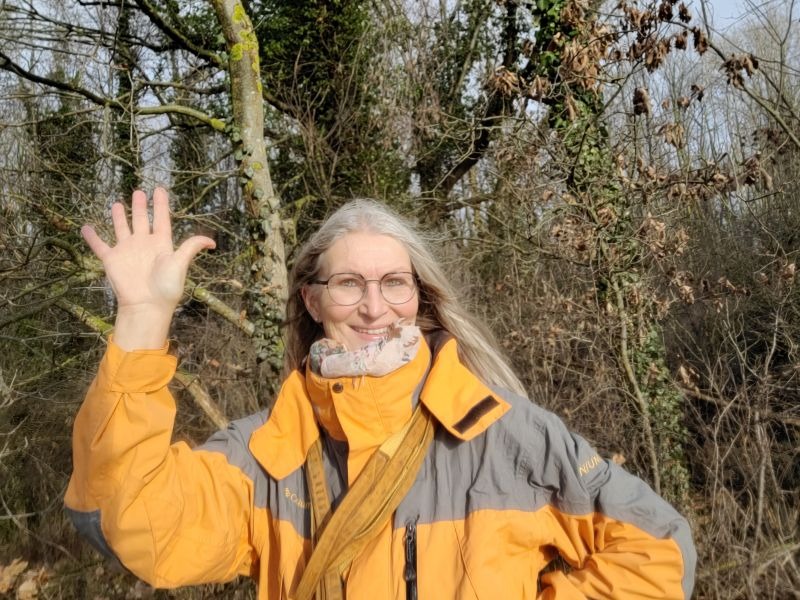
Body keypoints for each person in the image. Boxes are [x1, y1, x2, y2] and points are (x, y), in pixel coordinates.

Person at [66, 188, 696, 599]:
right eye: (348, 283)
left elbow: (659, 548)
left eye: (394, 282)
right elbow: (133, 524)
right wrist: (143, 320)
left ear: (419, 297)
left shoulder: (509, 438)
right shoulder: (263, 457)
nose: (374, 307)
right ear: (312, 301)